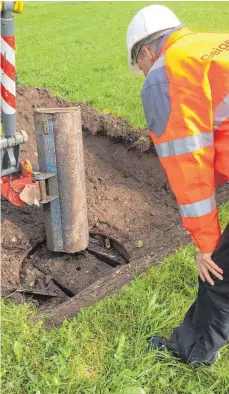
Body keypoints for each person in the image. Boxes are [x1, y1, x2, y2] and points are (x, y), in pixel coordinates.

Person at [126, 4, 229, 365]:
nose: (143, 73)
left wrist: (206, 243)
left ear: (147, 51)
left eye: (139, 65)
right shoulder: (215, 44)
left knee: (221, 273)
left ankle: (192, 351)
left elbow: (189, 163)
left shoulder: (163, 74)